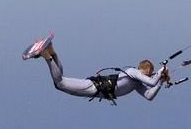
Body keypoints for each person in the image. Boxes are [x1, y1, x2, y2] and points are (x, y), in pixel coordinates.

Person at [35, 41, 170, 103]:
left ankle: (52, 52)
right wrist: (161, 71)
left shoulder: (136, 83)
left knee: (60, 83)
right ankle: (47, 55)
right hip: (92, 86)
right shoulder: (133, 71)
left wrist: (161, 82)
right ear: (144, 69)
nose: (148, 75)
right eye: (149, 72)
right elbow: (151, 82)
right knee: (60, 83)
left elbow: (149, 96)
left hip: (94, 90)